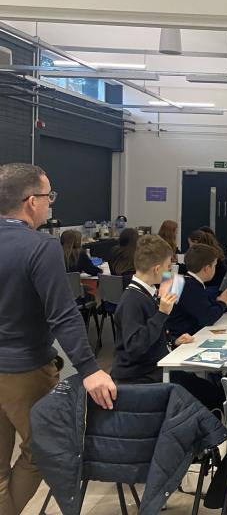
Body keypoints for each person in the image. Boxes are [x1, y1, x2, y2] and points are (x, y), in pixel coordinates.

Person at [0, 163, 117, 514]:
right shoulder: (39, 247)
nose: (50, 203)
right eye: (48, 195)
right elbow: (63, 314)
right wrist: (89, 367)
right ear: (31, 201)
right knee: (44, 448)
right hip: (25, 370)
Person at [110, 235, 188, 384]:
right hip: (140, 377)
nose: (168, 273)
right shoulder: (132, 300)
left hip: (154, 368)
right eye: (167, 268)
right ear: (157, 269)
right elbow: (135, 346)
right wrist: (161, 314)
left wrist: (172, 341)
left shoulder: (147, 293)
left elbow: (149, 332)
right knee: (207, 394)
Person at [166, 244, 227, 339]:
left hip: (182, 333)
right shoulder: (191, 288)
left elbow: (210, 307)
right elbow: (208, 317)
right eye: (214, 266)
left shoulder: (187, 282)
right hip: (185, 337)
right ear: (206, 268)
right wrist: (222, 303)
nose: (215, 269)